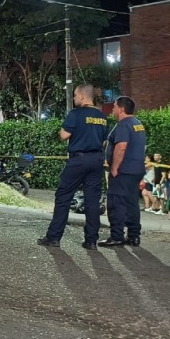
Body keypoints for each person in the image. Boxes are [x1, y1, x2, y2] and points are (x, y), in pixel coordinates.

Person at [38, 84, 108, 250]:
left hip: (78, 160)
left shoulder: (75, 114)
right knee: (92, 201)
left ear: (83, 97)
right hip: (97, 160)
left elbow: (64, 135)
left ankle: (53, 237)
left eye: (75, 95)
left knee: (63, 197)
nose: (74, 98)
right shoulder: (102, 116)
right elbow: (104, 140)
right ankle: (91, 241)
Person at [99, 96, 147, 247]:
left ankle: (116, 236)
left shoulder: (123, 125)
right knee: (132, 203)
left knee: (116, 203)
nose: (112, 109)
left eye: (114, 107)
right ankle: (134, 236)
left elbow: (121, 147)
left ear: (121, 109)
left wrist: (114, 167)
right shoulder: (138, 124)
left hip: (123, 171)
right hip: (136, 170)